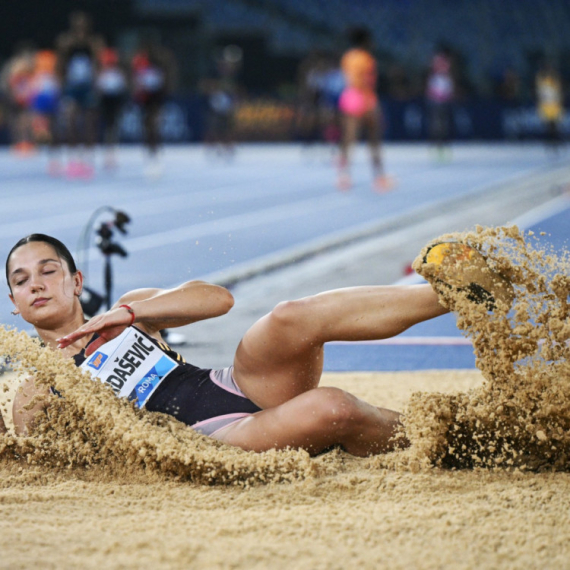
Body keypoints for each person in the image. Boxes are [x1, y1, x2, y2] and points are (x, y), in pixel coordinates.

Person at [2, 235, 513, 457]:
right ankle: (464, 441)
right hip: (214, 435)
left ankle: (458, 292)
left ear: (76, 280)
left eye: (49, 271)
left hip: (234, 383)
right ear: (14, 303)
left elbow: (218, 300)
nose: (38, 284)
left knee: (291, 315)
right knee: (331, 407)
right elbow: (63, 459)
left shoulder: (129, 311)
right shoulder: (33, 389)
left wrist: (130, 315)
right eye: (23, 281)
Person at [337, 28, 392, 192]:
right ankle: (379, 178)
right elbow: (366, 82)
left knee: (348, 140)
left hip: (349, 97)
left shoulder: (347, 57)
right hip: (364, 98)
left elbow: (349, 79)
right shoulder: (367, 58)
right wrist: (370, 103)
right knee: (374, 140)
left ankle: (344, 177)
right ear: (365, 41)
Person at [55, 11, 105, 179]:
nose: (80, 27)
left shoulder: (93, 42)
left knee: (90, 122)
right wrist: (61, 84)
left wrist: (98, 85)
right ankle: (73, 159)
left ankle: (88, 158)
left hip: (88, 86)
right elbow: (60, 64)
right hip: (72, 86)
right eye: (77, 24)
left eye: (82, 24)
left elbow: (98, 64)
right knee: (70, 120)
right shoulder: (65, 41)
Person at [131, 36, 178, 178]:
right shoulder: (140, 60)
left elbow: (169, 74)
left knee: (154, 124)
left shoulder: (161, 59)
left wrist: (167, 88)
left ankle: (156, 152)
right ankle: (149, 151)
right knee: (146, 125)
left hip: (157, 96)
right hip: (144, 97)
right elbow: (134, 77)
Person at [425, 48, 455, 160]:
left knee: (444, 125)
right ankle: (435, 145)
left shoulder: (447, 78)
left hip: (444, 102)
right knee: (436, 125)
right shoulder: (434, 78)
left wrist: (446, 97)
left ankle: (444, 145)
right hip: (435, 103)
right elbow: (430, 91)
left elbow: (449, 91)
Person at [535, 61, 564, 154]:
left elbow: (559, 93)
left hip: (554, 106)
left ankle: (555, 143)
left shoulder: (554, 82)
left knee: (554, 127)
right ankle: (550, 143)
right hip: (546, 106)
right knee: (548, 127)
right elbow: (539, 93)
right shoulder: (542, 82)